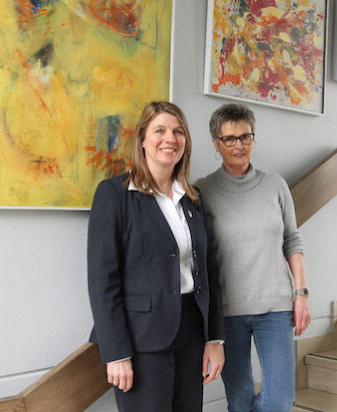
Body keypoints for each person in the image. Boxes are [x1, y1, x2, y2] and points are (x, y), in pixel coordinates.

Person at [87, 101, 225, 412]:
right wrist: (115, 352)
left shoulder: (193, 199)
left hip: (192, 334)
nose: (170, 139)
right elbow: (102, 282)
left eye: (178, 132)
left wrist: (214, 339)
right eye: (160, 130)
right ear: (143, 139)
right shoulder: (115, 195)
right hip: (141, 341)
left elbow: (209, 273)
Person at [195, 103, 311, 412]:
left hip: (275, 308)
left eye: (245, 136)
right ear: (216, 143)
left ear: (253, 139)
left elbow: (292, 240)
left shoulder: (276, 185)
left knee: (280, 400)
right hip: (227, 312)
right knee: (240, 398)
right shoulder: (202, 191)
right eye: (230, 139)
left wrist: (301, 294)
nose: (239, 145)